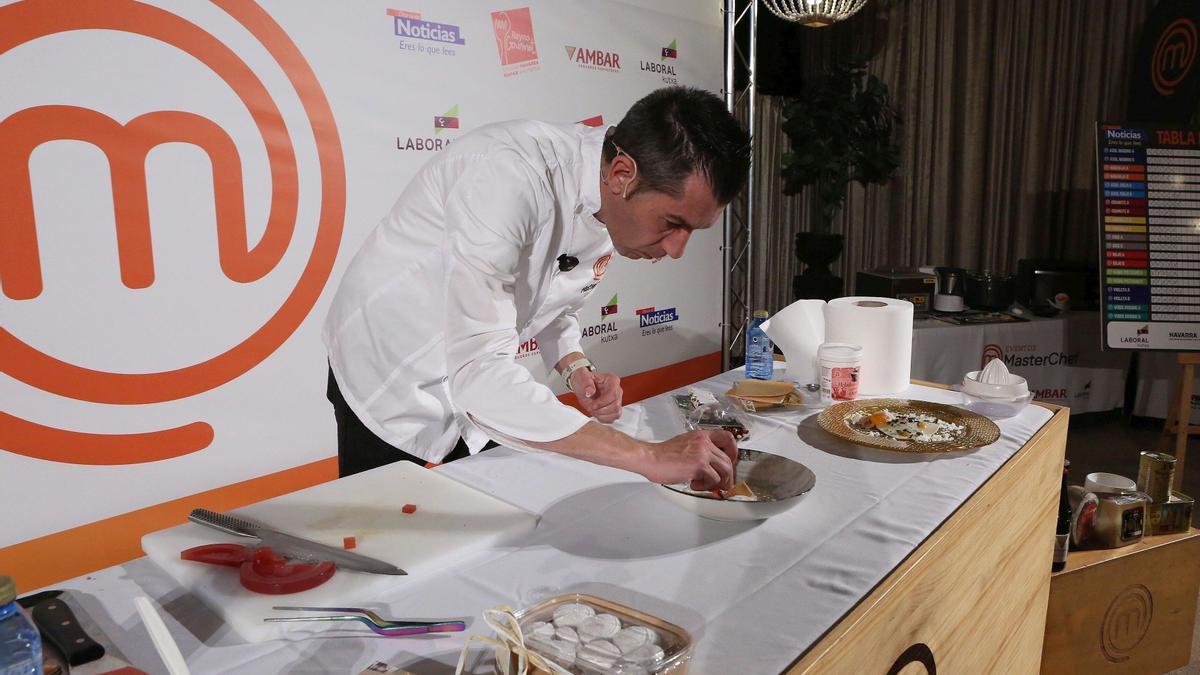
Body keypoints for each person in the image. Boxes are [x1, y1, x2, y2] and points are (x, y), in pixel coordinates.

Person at [323, 86, 752, 491]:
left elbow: (553, 297)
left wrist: (573, 366)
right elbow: (479, 376)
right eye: (673, 224)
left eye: (693, 230)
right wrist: (649, 456)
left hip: (476, 378)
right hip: (392, 365)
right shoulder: (505, 175)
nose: (677, 250)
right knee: (386, 538)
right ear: (622, 174)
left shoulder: (613, 195)